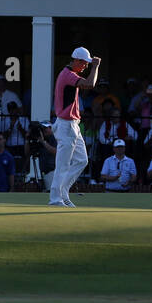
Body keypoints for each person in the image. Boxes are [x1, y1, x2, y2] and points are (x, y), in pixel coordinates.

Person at [50, 46, 101, 206]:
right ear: (77, 60)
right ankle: (55, 199)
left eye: (87, 64)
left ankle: (63, 193)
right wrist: (96, 66)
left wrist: (92, 65)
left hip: (72, 125)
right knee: (63, 165)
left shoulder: (70, 74)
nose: (86, 66)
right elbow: (90, 84)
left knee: (81, 160)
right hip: (66, 125)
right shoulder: (68, 75)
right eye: (85, 63)